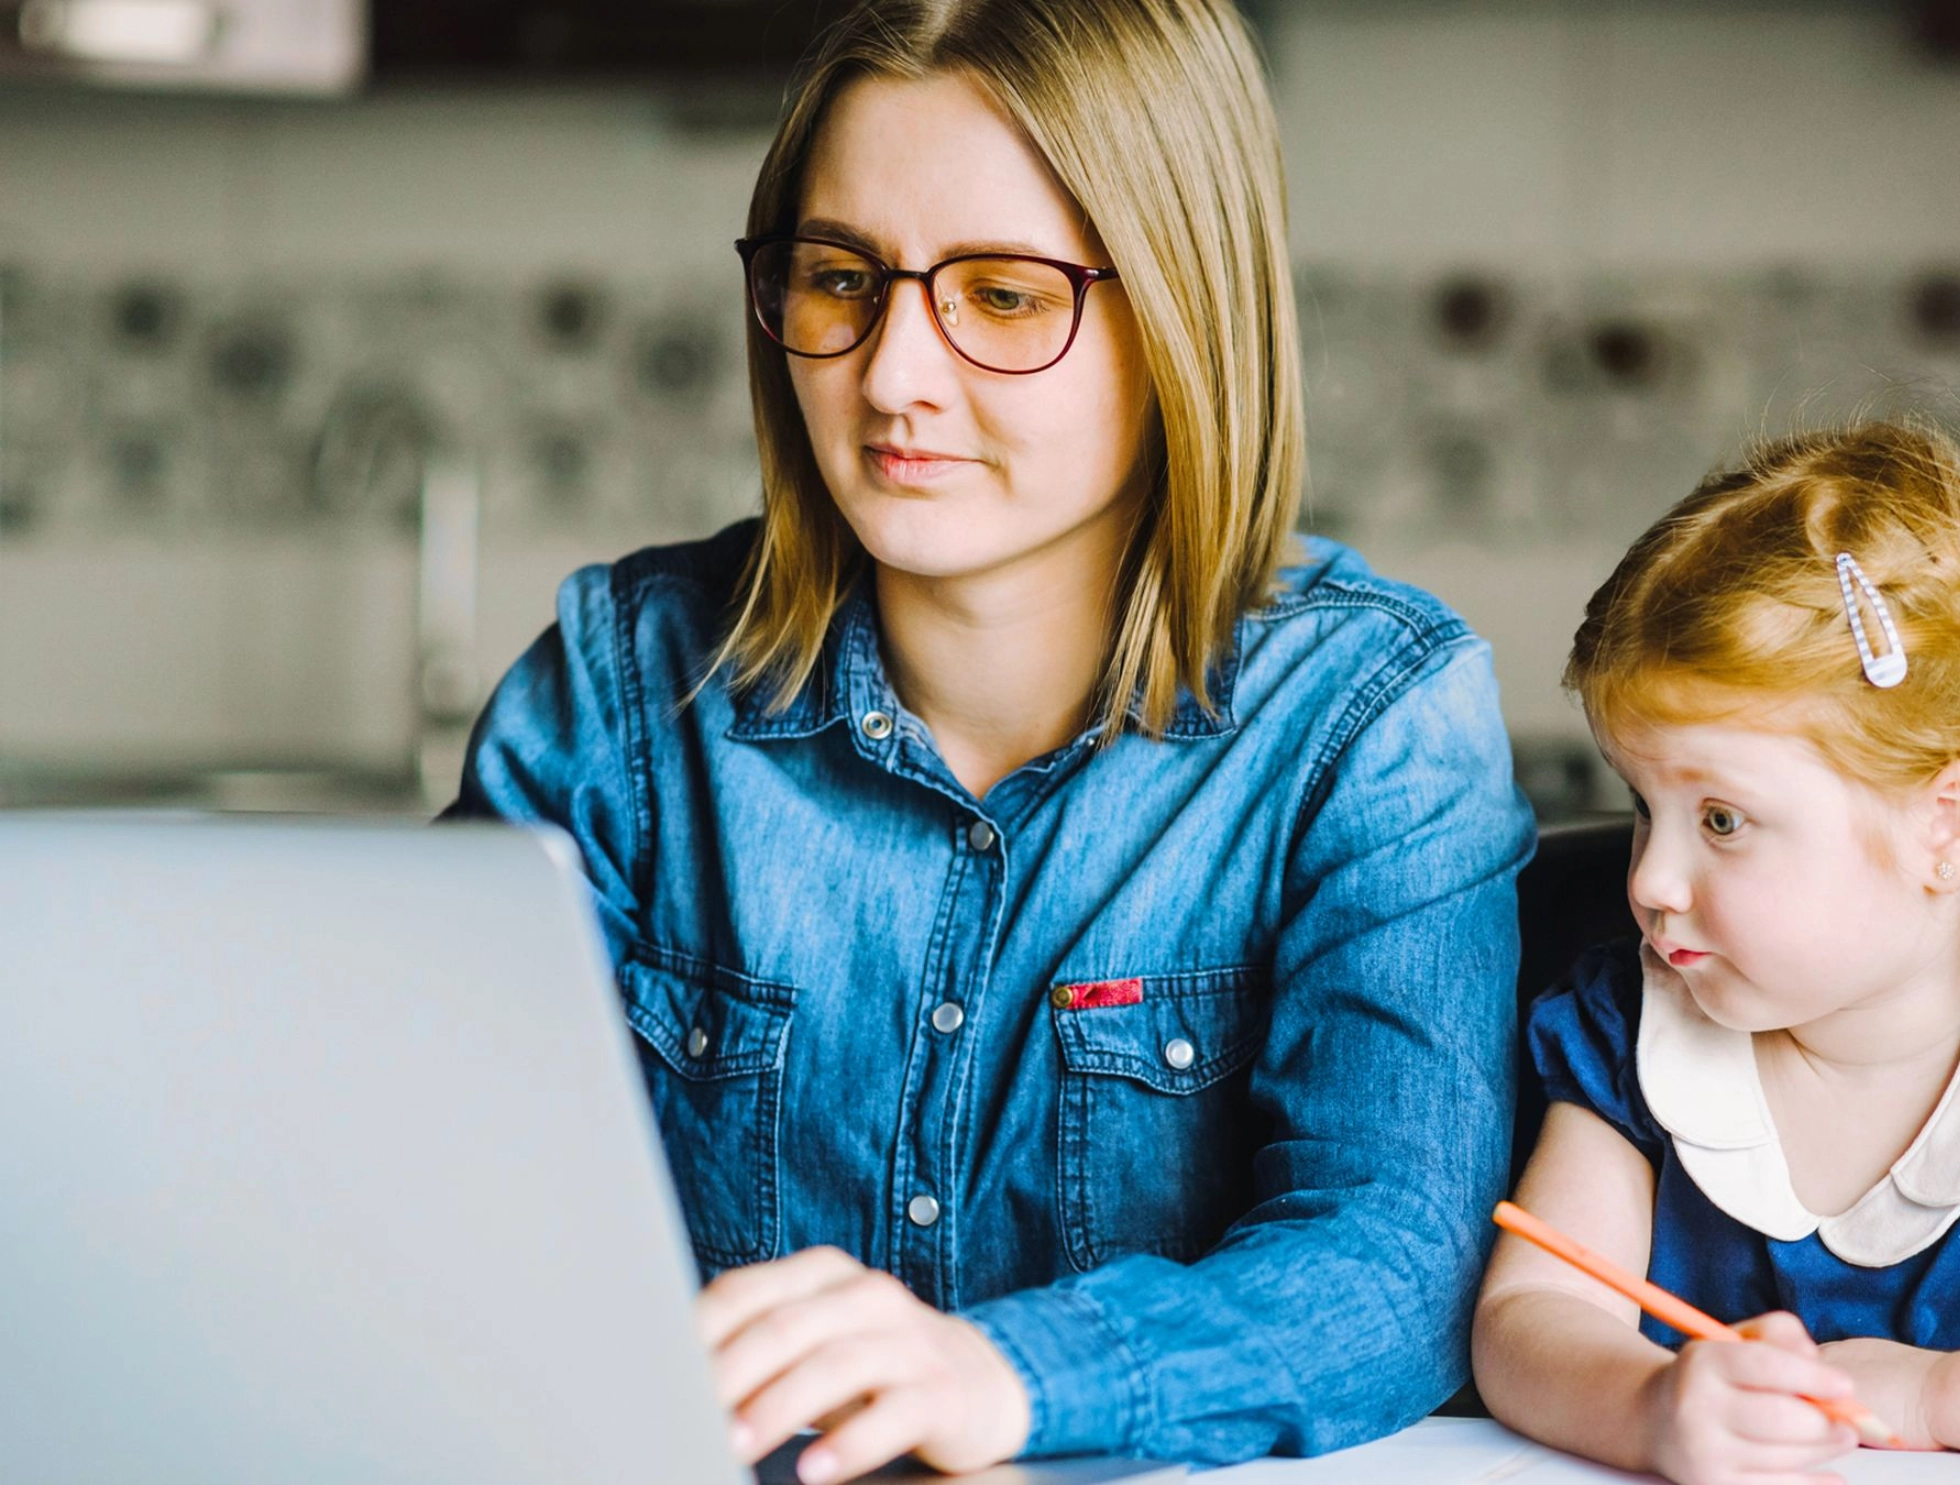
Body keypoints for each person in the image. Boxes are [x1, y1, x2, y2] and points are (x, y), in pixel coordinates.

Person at [446, 0, 1531, 1478]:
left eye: (1005, 296)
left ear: (1183, 312)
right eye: (841, 279)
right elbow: (434, 1202)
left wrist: (1006, 1375)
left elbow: (1394, 1268)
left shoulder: (1372, 716)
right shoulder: (620, 689)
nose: (891, 377)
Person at [1471, 420, 1960, 1485]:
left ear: (1954, 826)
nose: (1650, 879)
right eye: (1642, 805)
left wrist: (1930, 1393)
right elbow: (1532, 1317)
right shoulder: (1631, 1029)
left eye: (1721, 822)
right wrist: (1650, 1406)